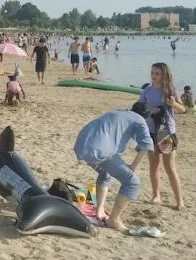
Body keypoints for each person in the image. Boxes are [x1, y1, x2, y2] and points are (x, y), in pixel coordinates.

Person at [73, 105, 156, 231]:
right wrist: (133, 166)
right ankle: (114, 220)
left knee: (105, 172)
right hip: (99, 150)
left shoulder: (117, 112)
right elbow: (146, 146)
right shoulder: (140, 121)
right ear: (146, 117)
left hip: (81, 145)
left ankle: (99, 210)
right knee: (132, 182)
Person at [137, 62, 186, 209]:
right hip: (150, 131)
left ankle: (179, 201)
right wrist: (149, 110)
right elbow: (139, 108)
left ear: (164, 74)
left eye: (157, 73)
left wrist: (173, 104)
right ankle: (156, 195)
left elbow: (183, 109)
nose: (154, 76)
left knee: (170, 167)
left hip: (166, 132)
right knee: (154, 166)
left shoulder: (170, 90)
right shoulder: (147, 91)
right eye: (152, 73)